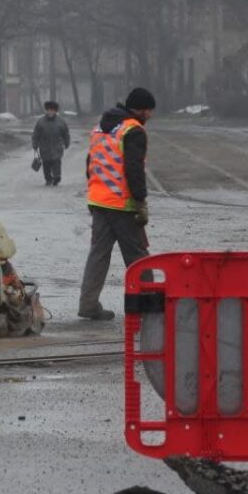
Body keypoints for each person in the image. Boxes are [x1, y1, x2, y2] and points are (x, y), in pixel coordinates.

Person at [77, 87, 155, 321]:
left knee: (98, 255)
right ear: (140, 109)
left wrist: (94, 192)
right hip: (122, 204)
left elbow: (91, 161)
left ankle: (88, 304)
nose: (150, 115)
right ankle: (149, 305)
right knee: (138, 255)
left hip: (99, 200)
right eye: (149, 111)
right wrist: (140, 201)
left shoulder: (100, 128)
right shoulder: (133, 130)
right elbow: (134, 169)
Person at [32, 100, 70, 186]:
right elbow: (36, 134)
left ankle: (57, 177)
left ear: (55, 111)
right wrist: (35, 144)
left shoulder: (61, 122)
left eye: (52, 110)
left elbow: (65, 133)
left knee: (57, 162)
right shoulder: (40, 122)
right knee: (46, 164)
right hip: (44, 147)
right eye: (48, 110)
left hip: (57, 146)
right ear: (46, 110)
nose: (50, 112)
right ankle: (48, 179)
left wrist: (67, 142)